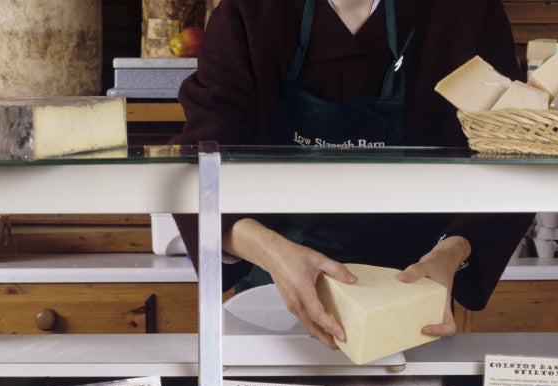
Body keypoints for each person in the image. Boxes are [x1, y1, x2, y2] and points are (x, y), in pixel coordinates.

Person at [172, 0, 532, 350]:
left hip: (413, 307)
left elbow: (512, 163)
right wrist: (273, 252)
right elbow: (197, 169)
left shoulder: (468, 14)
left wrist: (452, 253)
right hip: (272, 306)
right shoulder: (248, 15)